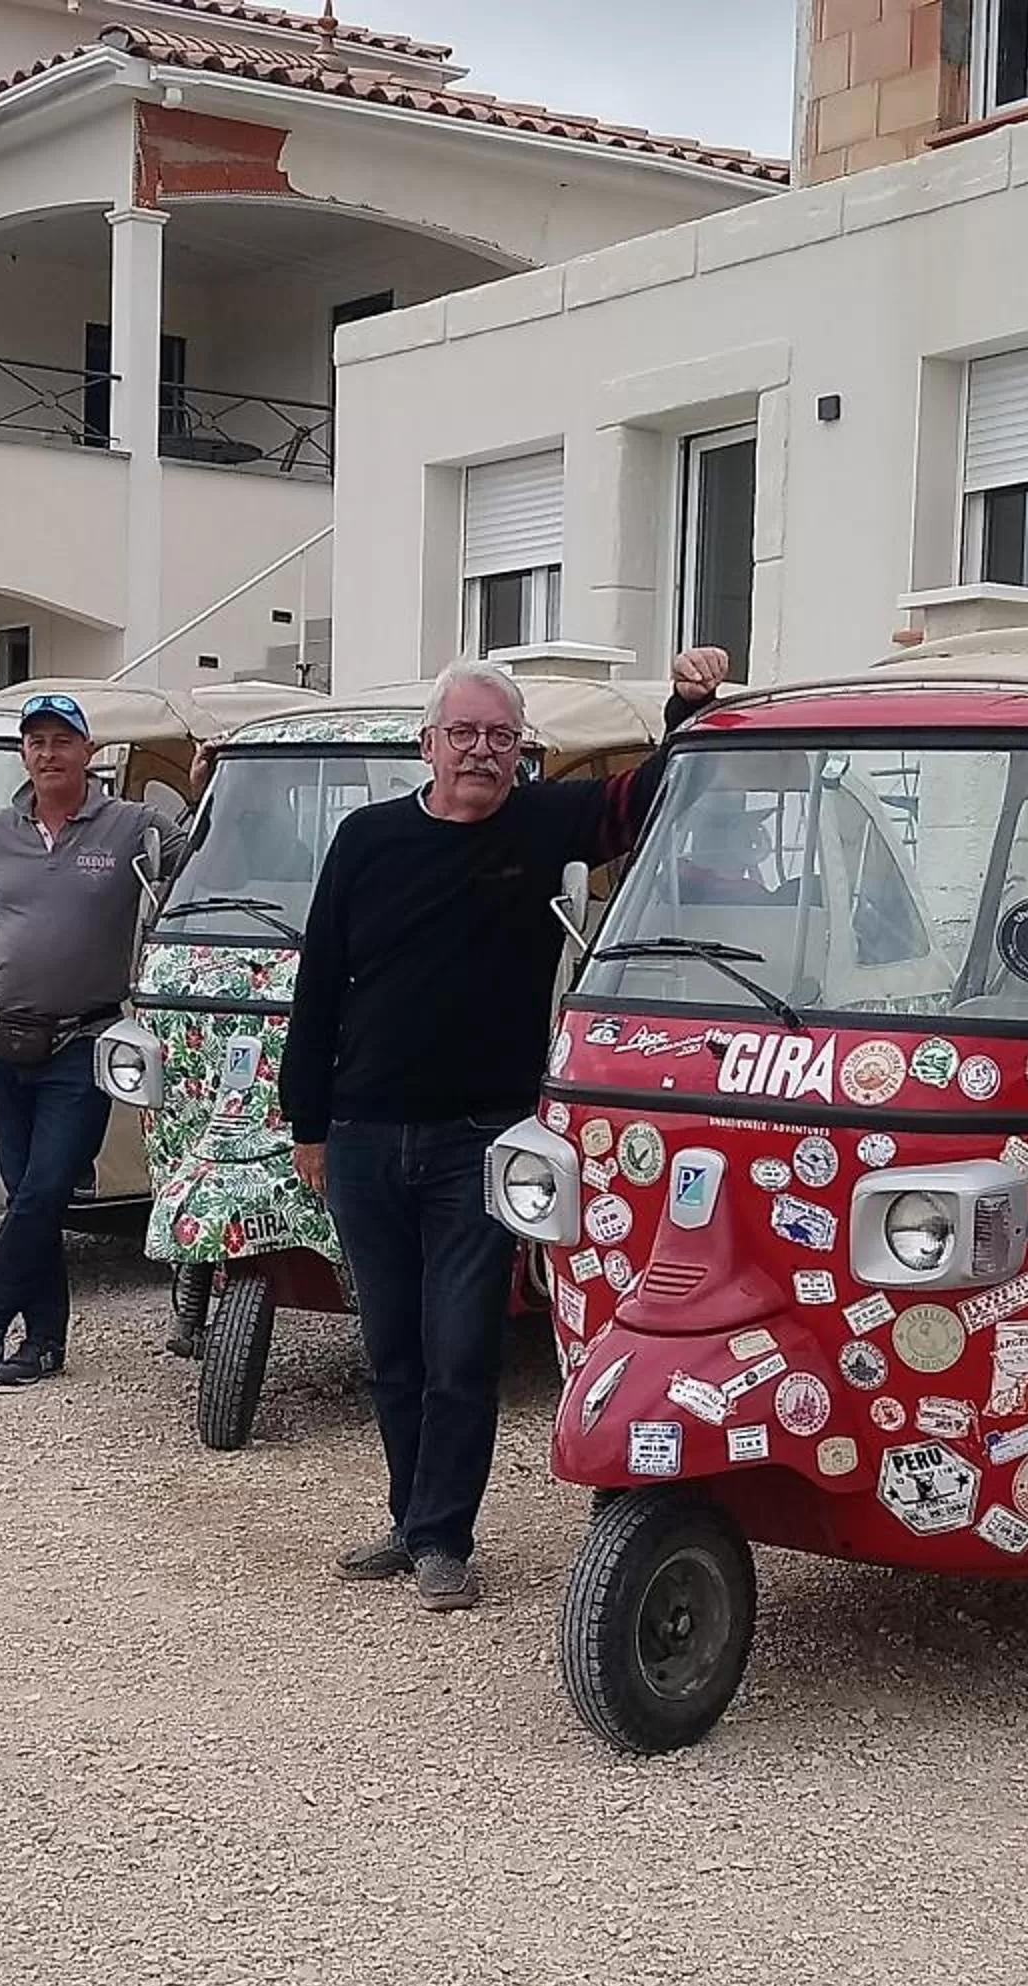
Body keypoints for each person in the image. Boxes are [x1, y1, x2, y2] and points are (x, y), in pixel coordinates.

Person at [283, 647, 732, 1612]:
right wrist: (306, 1126)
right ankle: (412, 1521)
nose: (480, 752)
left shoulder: (543, 825)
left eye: (499, 737)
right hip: (362, 1137)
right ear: (428, 744)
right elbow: (317, 987)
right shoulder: (365, 841)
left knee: (460, 1348)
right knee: (392, 1347)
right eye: (464, 735)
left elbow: (646, 800)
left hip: (483, 1142)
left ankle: (445, 1537)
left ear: (520, 750)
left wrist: (684, 706)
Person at [0, 691, 182, 1387]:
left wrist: (206, 786)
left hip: (81, 1043)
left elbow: (203, 853)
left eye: (63, 741)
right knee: (29, 1196)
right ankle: (46, 1344)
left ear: (90, 753)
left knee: (41, 1195)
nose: (49, 754)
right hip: (1, 1041)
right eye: (37, 743)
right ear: (23, 755)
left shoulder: (132, 826)